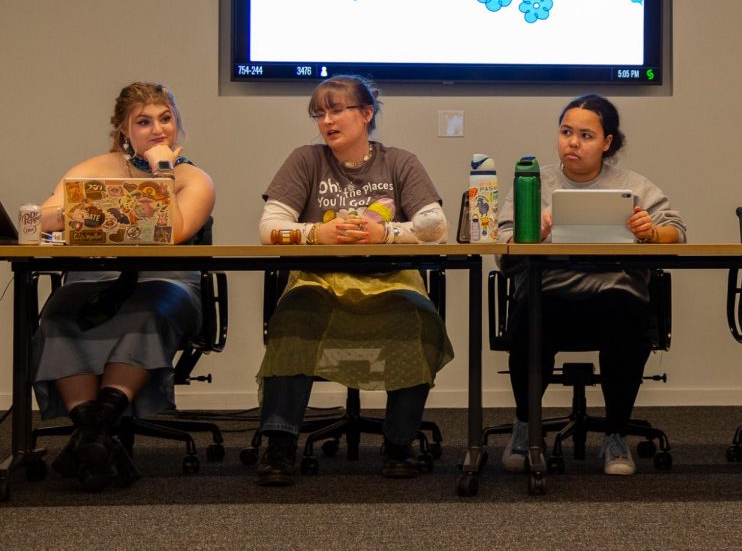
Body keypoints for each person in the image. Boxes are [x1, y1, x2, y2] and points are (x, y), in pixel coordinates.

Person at [254, 75, 453, 486]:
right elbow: (269, 228)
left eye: (337, 110)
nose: (327, 120)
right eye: (319, 113)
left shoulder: (400, 162)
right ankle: (279, 444)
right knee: (292, 320)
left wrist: (387, 234)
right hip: (319, 279)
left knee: (417, 320)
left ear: (366, 114)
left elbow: (436, 226)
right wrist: (316, 234)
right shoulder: (305, 160)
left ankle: (399, 443)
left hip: (389, 280)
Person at [32, 82, 216, 492]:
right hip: (94, 277)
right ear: (123, 130)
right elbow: (42, 220)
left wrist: (161, 172)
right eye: (144, 122)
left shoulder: (192, 177)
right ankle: (96, 437)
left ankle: (91, 437)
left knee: (147, 315)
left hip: (166, 281)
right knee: (59, 317)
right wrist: (85, 209)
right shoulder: (91, 169)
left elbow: (172, 231)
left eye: (166, 119)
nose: (158, 130)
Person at [495, 94, 687, 475]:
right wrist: (532, 234)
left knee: (628, 319)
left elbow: (677, 233)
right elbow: (504, 250)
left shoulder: (633, 185)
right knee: (529, 318)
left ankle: (615, 435)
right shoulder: (533, 183)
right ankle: (525, 426)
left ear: (607, 143)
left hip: (614, 298)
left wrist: (650, 233)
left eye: (585, 135)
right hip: (548, 296)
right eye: (566, 132)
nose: (573, 142)